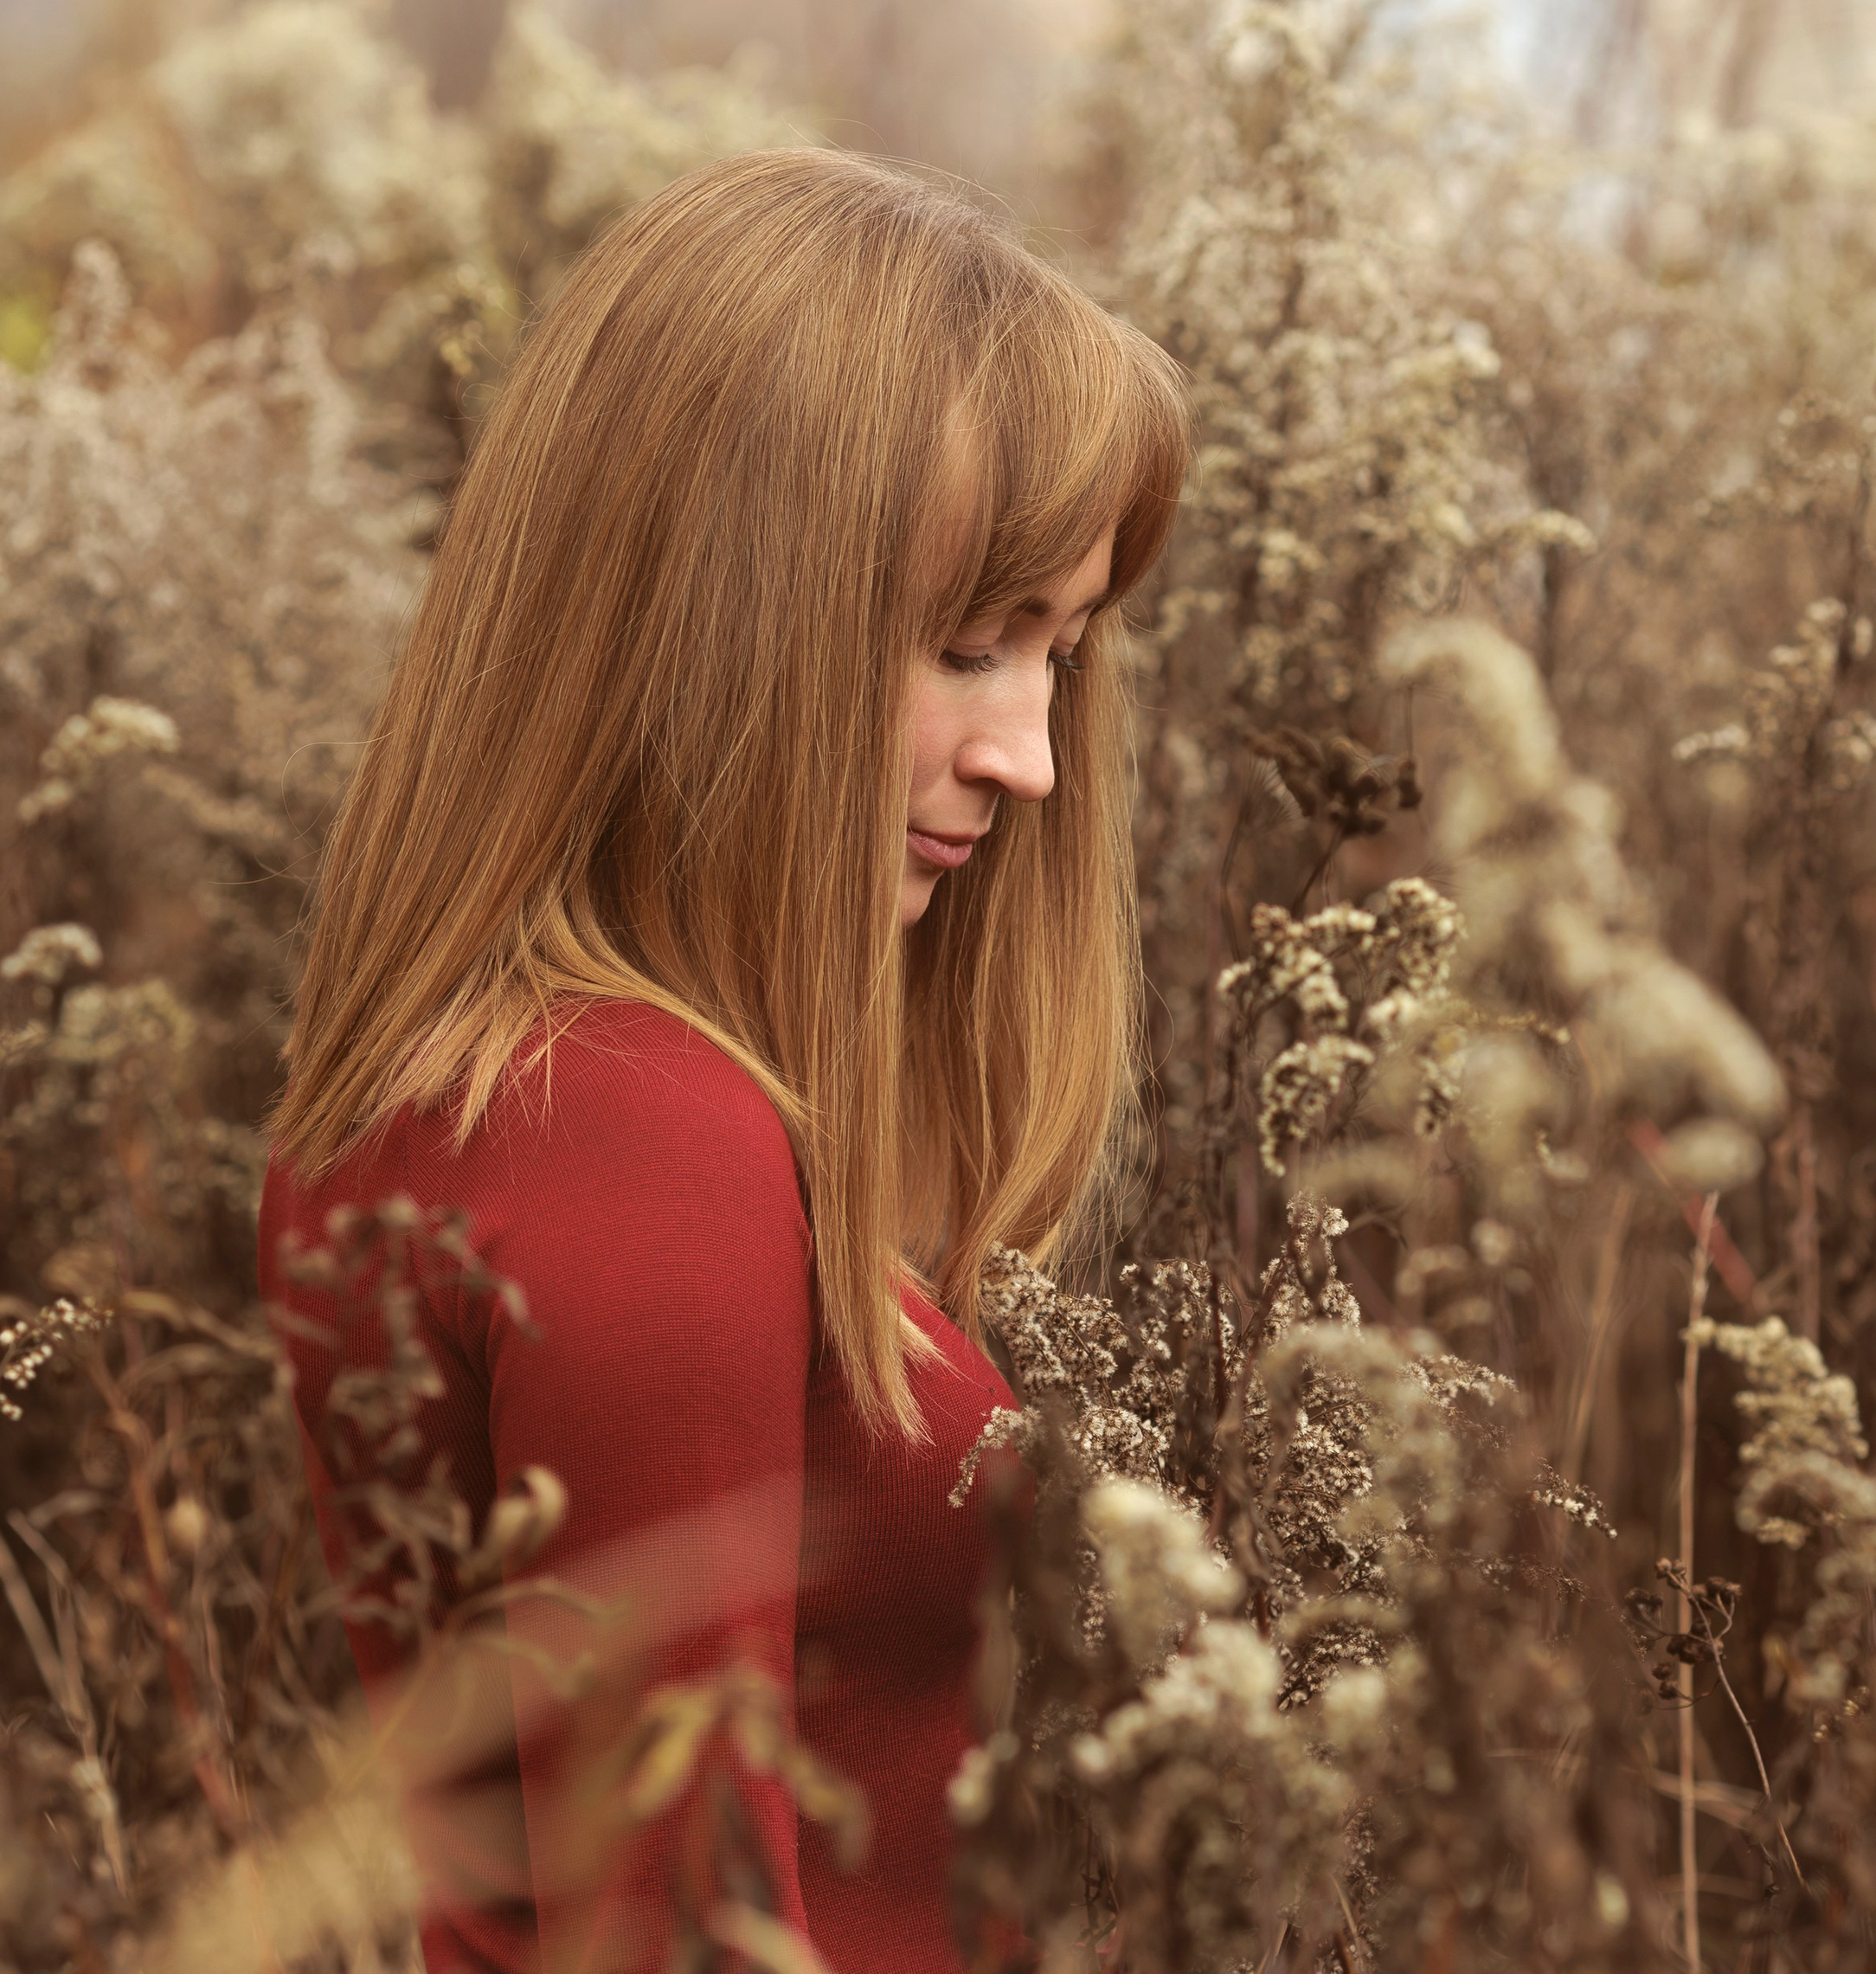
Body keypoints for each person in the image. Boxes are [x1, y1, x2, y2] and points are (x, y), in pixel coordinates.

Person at [258, 147, 1188, 1974]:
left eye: (1059, 655)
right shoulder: (636, 1129)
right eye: (961, 646)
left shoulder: (470, 1088)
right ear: (713, 619)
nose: (1033, 757)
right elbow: (678, 1919)